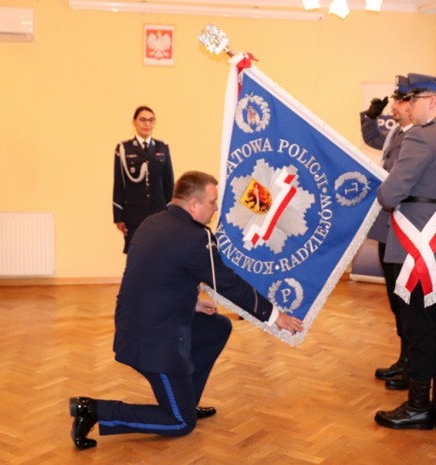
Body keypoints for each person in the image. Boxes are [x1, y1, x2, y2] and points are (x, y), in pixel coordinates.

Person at [70, 171, 304, 450]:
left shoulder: (153, 222)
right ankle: (94, 410)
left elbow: (154, 277)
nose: (216, 209)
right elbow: (230, 285)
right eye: (212, 203)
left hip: (142, 322)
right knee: (180, 424)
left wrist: (192, 301)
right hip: (153, 339)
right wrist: (276, 317)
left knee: (217, 327)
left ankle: (186, 400)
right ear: (193, 204)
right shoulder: (193, 237)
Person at [373, 73, 436, 433]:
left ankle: (418, 406)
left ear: (432, 102)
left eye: (413, 99)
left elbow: (390, 194)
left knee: (418, 328)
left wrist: (385, 189)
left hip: (418, 246)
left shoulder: (420, 136)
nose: (407, 106)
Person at [360, 75, 414, 391]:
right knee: (396, 300)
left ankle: (411, 364)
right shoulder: (397, 132)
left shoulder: (418, 138)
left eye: (400, 100)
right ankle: (404, 358)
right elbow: (372, 138)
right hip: (387, 229)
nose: (393, 106)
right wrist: (369, 116)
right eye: (394, 100)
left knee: (405, 300)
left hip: (405, 231)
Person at [113, 106, 175, 253]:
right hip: (134, 212)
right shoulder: (123, 149)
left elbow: (169, 182)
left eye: (151, 120)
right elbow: (118, 182)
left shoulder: (162, 147)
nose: (147, 124)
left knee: (160, 251)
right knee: (136, 252)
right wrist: (118, 216)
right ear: (134, 122)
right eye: (143, 120)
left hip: (159, 211)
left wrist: (172, 211)